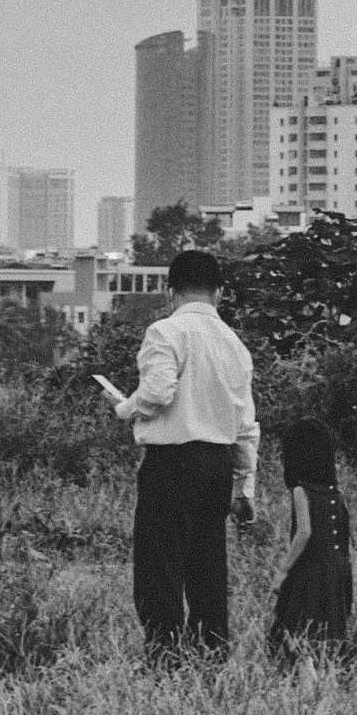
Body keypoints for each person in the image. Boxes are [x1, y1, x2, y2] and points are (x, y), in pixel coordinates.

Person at [103, 248, 258, 660]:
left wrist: (124, 408)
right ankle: (211, 652)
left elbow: (157, 392)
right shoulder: (235, 345)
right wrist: (246, 487)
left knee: (160, 566)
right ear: (219, 293)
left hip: (172, 463)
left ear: (171, 291)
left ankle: (165, 657)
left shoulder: (165, 332)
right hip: (218, 465)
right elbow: (246, 426)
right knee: (208, 563)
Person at [266, 381, 354, 660]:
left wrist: (282, 571)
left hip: (310, 572)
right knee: (329, 634)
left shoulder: (301, 490)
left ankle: (305, 684)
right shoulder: (336, 492)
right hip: (339, 571)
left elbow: (304, 532)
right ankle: (324, 680)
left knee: (292, 631)